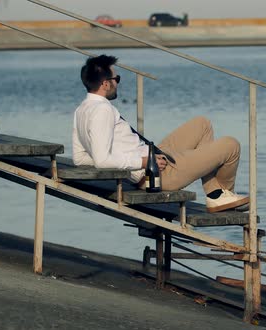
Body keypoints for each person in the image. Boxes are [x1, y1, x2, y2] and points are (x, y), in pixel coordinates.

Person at [72, 55, 249, 213]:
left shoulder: (81, 110)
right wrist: (145, 162)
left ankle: (215, 193)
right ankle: (221, 195)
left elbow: (79, 158)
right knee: (231, 145)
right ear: (105, 83)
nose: (118, 82)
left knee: (202, 124)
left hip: (152, 158)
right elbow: (103, 161)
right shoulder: (102, 110)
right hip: (155, 174)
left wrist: (142, 158)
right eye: (116, 78)